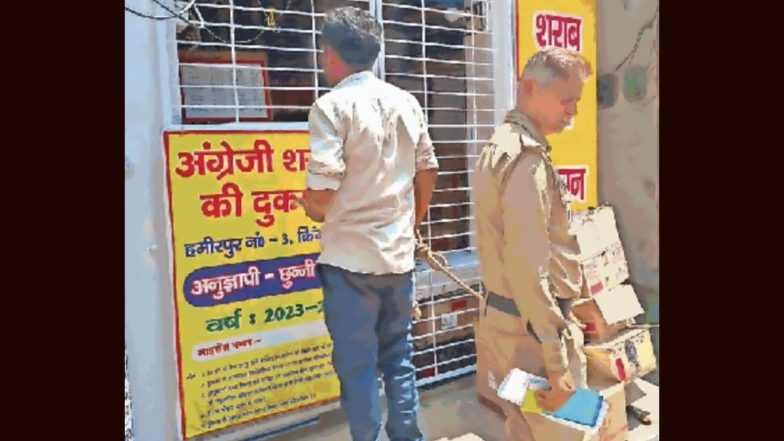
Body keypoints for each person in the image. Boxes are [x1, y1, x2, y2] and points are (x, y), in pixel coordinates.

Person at [297, 6, 439, 441]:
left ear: (330, 56)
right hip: (397, 263)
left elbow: (321, 196)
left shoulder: (330, 107)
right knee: (398, 358)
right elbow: (428, 170)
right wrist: (410, 223)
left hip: (350, 266)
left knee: (358, 368)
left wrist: (310, 206)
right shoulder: (406, 102)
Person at [472, 47, 593, 441]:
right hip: (535, 338)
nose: (572, 111)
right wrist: (557, 362)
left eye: (576, 101)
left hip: (509, 327)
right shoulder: (527, 162)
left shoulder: (498, 147)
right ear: (529, 88)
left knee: (524, 428)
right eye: (566, 100)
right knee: (564, 432)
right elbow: (529, 267)